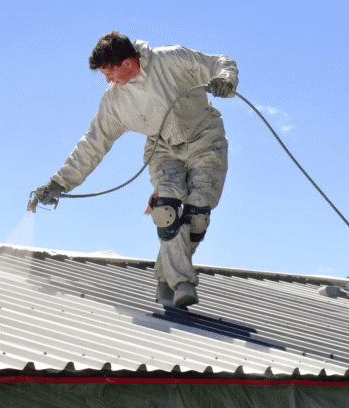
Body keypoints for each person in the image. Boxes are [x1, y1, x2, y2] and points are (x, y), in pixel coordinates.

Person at [36, 31, 238, 309]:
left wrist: (225, 79)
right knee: (165, 210)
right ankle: (183, 283)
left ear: (128, 61)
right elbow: (93, 143)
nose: (108, 80)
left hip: (206, 139)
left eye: (110, 72)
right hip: (162, 148)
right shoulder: (115, 101)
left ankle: (164, 280)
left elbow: (219, 61)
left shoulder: (170, 59)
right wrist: (59, 183)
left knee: (198, 215)